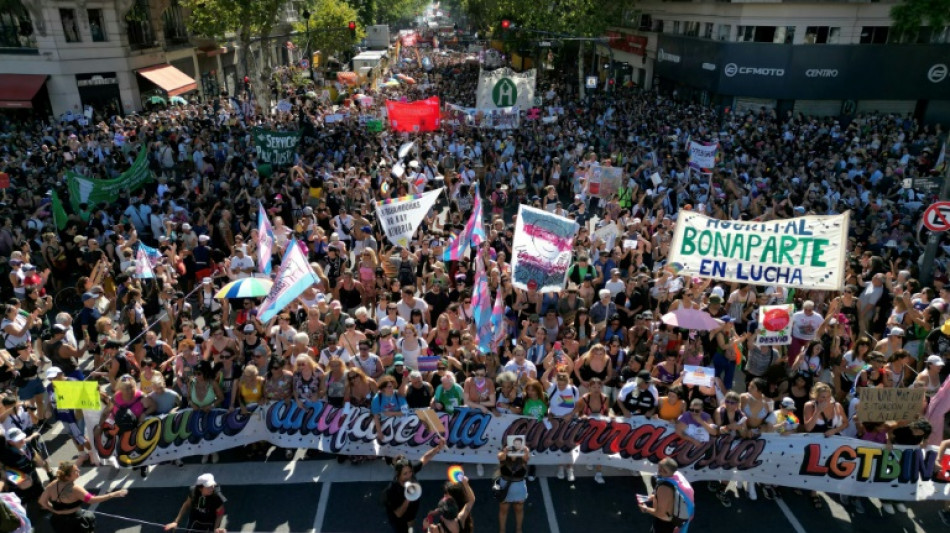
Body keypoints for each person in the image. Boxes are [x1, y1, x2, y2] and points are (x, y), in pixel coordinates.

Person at [39, 460, 128, 532]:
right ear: (67, 477)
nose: (79, 471)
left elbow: (42, 501)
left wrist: (55, 511)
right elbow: (92, 500)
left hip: (59, 521)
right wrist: (113, 494)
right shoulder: (75, 489)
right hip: (75, 522)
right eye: (75, 471)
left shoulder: (53, 484)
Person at [383, 438, 446, 533]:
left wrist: (438, 448)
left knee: (411, 524)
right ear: (398, 474)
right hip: (399, 520)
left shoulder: (410, 472)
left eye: (410, 472)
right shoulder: (392, 490)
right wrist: (407, 499)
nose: (409, 476)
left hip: (412, 510)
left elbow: (425, 458)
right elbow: (398, 514)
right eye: (405, 474)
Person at [638, 458, 694, 533]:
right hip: (672, 519)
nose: (658, 470)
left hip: (664, 524)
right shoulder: (677, 476)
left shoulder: (664, 488)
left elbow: (661, 514)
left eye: (661, 468)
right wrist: (650, 498)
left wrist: (645, 509)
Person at [497, 439, 530, 533]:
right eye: (514, 445)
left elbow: (527, 457)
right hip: (505, 488)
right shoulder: (503, 455)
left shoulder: (523, 457)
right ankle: (502, 530)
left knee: (519, 509)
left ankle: (519, 528)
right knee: (503, 510)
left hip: (519, 489)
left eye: (518, 444)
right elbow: (500, 457)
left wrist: (526, 450)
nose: (515, 447)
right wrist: (505, 451)